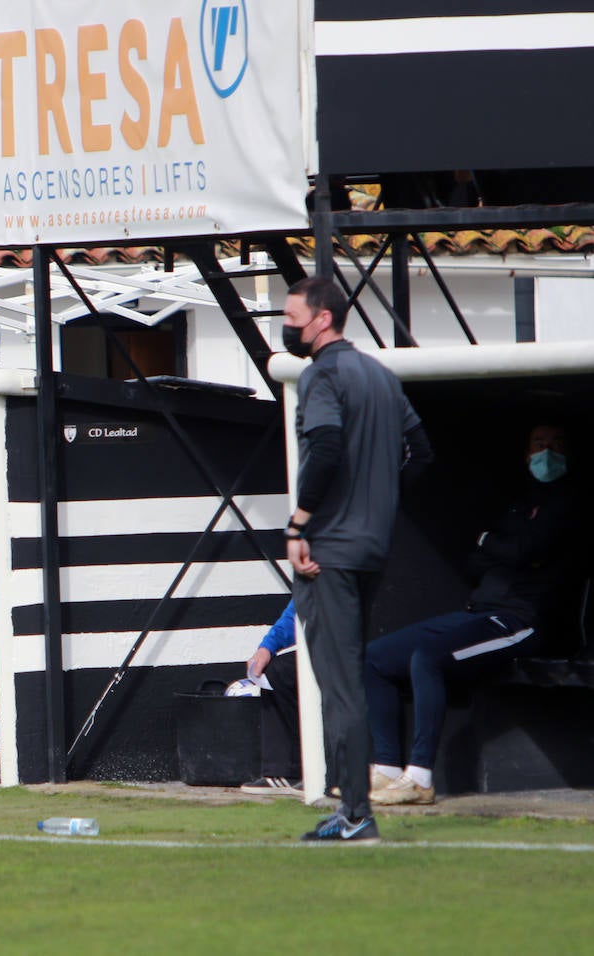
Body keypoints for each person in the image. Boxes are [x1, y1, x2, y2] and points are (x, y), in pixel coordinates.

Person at [282, 275, 432, 843]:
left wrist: (301, 524)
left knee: (339, 684)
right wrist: (379, 502)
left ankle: (354, 813)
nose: (288, 326)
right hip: (371, 547)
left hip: (329, 552)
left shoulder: (324, 375)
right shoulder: (381, 376)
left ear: (322, 319)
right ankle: (353, 809)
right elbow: (421, 453)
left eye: (293, 317)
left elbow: (323, 447)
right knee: (351, 677)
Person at [365, 423, 579, 806]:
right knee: (375, 658)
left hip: (519, 621)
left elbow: (522, 551)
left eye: (557, 444)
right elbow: (475, 561)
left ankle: (420, 778)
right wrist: (502, 548)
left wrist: (496, 545)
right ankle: (387, 771)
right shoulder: (516, 502)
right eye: (540, 444)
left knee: (427, 657)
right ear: (526, 453)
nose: (547, 452)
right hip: (479, 611)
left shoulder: (567, 503)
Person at [238, 601, 303, 796]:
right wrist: (267, 647)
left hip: (352, 644)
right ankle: (283, 772)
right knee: (275, 671)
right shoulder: (307, 576)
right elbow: (297, 611)